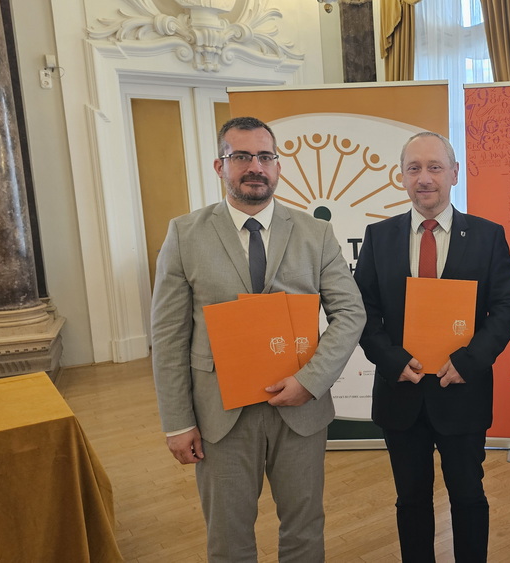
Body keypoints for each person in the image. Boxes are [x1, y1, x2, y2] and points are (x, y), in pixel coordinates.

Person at [151, 116, 366, 562]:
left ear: (278, 166)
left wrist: (310, 380)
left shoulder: (315, 233)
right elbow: (169, 335)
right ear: (220, 166)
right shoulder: (185, 234)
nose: (255, 167)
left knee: (305, 530)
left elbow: (350, 313)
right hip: (220, 414)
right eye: (242, 157)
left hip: (300, 409)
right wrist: (177, 422)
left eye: (265, 156)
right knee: (228, 537)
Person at [354, 131, 510, 562]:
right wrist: (391, 360)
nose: (424, 178)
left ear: (454, 173)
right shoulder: (379, 236)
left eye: (434, 167)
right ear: (401, 176)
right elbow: (362, 310)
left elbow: (507, 306)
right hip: (400, 392)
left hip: (462, 391)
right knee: (410, 499)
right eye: (414, 168)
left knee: (468, 495)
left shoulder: (487, 236)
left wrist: (470, 361)